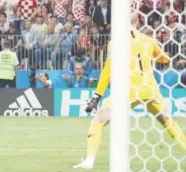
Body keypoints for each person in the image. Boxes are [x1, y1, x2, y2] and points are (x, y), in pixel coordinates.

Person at [73, 13, 186, 169]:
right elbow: (165, 58)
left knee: (98, 121)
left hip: (130, 91)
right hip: (150, 89)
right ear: (137, 22)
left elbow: (107, 71)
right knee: (168, 122)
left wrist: (96, 96)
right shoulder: (148, 40)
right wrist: (160, 56)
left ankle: (89, 161)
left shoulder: (116, 43)